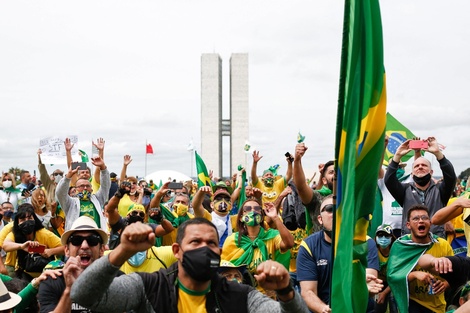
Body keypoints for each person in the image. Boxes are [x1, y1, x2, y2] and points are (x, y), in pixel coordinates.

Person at [70, 218, 309, 313]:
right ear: (177, 251)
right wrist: (122, 251)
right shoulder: (149, 286)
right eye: (195, 242)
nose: (205, 249)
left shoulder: (240, 296)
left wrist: (286, 291)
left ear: (220, 252)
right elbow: (83, 294)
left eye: (212, 243)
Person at [296, 195, 382, 313]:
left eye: (341, 209)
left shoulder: (365, 242)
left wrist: (363, 287)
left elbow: (371, 283)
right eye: (330, 209)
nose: (336, 213)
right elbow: (308, 292)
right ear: (320, 219)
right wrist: (324, 309)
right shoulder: (308, 246)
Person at [221, 197, 294, 297]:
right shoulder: (232, 240)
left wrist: (275, 217)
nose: (253, 211)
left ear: (261, 214)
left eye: (257, 209)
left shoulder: (271, 236)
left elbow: (289, 243)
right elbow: (225, 272)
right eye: (248, 209)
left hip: (266, 297)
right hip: (240, 296)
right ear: (241, 217)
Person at [387, 204, 454, 313]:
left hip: (437, 306)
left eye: (424, 218)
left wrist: (445, 284)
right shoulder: (400, 246)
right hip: (411, 302)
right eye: (416, 219)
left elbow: (455, 274)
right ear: (408, 225)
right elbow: (392, 277)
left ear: (430, 223)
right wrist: (413, 275)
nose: (421, 221)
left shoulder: (443, 245)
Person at [384, 137, 456, 238]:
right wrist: (398, 156)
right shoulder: (405, 190)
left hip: (435, 240)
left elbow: (451, 176)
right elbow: (389, 180)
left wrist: (437, 153)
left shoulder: (440, 190)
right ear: (412, 173)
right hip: (410, 241)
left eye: (424, 165)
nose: (420, 167)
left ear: (431, 172)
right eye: (416, 166)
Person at [37, 216, 108, 312]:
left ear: (102, 250)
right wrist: (69, 290)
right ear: (66, 250)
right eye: (76, 240)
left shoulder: (116, 280)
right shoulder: (52, 282)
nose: (84, 246)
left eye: (92, 240)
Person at [2, 204, 64, 281]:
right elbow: (6, 245)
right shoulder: (14, 234)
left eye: (29, 218)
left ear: (34, 219)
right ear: (17, 223)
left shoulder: (44, 233)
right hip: (24, 273)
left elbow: (66, 248)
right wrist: (22, 246)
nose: (27, 222)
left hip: (46, 273)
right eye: (23, 219)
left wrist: (51, 251)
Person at [55, 156, 110, 232]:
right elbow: (60, 193)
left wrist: (103, 168)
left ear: (91, 189)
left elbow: (105, 186)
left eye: (87, 186)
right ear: (76, 189)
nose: (85, 188)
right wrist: (68, 175)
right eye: (81, 186)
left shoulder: (98, 199)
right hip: (77, 237)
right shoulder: (70, 203)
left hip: (95, 236)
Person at [292, 143, 329, 233]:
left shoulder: (347, 196)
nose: (335, 174)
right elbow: (301, 187)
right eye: (331, 172)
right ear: (324, 180)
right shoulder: (319, 198)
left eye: (337, 171)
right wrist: (297, 160)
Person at [374, 224, 398, 313]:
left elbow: (396, 278)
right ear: (376, 237)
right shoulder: (373, 251)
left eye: (386, 235)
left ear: (391, 237)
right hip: (378, 283)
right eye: (380, 235)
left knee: (393, 299)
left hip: (393, 283)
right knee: (377, 306)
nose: (383, 238)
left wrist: (384, 293)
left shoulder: (396, 252)